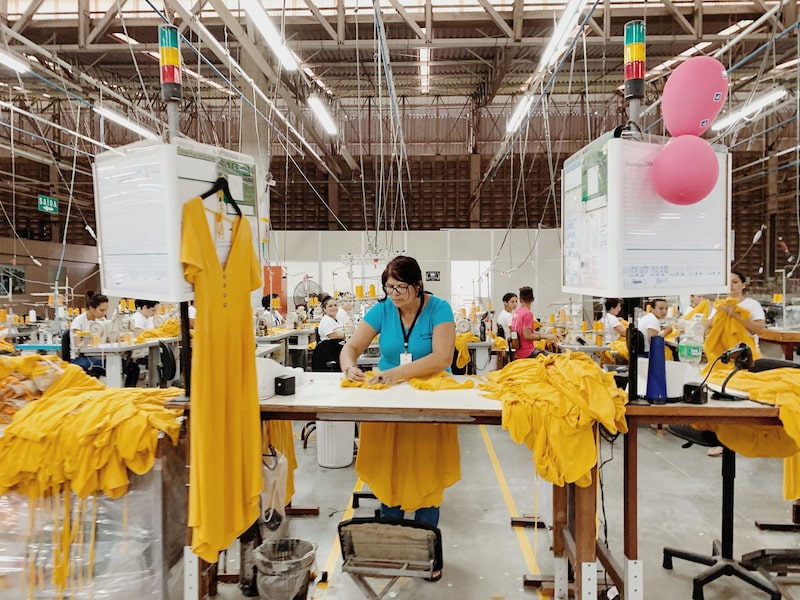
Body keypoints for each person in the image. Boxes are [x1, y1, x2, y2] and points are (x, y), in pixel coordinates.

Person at [339, 255, 457, 565]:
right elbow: (350, 348)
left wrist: (396, 374)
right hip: (388, 401)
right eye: (389, 288)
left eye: (401, 288)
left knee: (426, 472)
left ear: (418, 285)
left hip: (428, 401)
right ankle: (391, 545)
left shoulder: (439, 309)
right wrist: (349, 365)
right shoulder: (383, 310)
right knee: (387, 470)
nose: (394, 295)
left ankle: (425, 553)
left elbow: (442, 357)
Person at [511, 286, 560, 359]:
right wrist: (545, 337)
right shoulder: (528, 314)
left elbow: (529, 331)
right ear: (533, 299)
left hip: (519, 352)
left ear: (520, 299)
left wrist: (549, 335)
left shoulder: (517, 313)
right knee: (557, 358)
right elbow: (527, 335)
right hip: (527, 353)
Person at [69, 292, 108, 374]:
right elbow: (77, 345)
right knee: (111, 366)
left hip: (98, 356)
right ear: (91, 308)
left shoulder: (101, 320)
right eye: (101, 310)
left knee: (125, 365)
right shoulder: (79, 321)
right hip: (81, 358)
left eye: (106, 310)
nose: (104, 313)